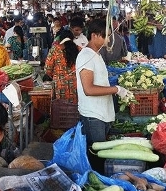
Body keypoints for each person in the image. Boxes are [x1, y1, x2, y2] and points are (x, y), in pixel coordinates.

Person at [76, 19, 129, 147]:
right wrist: (115, 89)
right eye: (105, 36)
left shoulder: (96, 54)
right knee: (97, 152)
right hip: (93, 115)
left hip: (100, 112)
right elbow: (88, 89)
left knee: (101, 150)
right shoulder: (86, 56)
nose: (108, 40)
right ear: (94, 36)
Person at [45, 29, 79, 103]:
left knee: (60, 110)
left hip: (59, 86)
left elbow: (48, 69)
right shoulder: (78, 49)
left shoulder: (55, 50)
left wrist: (55, 76)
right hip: (75, 85)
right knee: (74, 109)